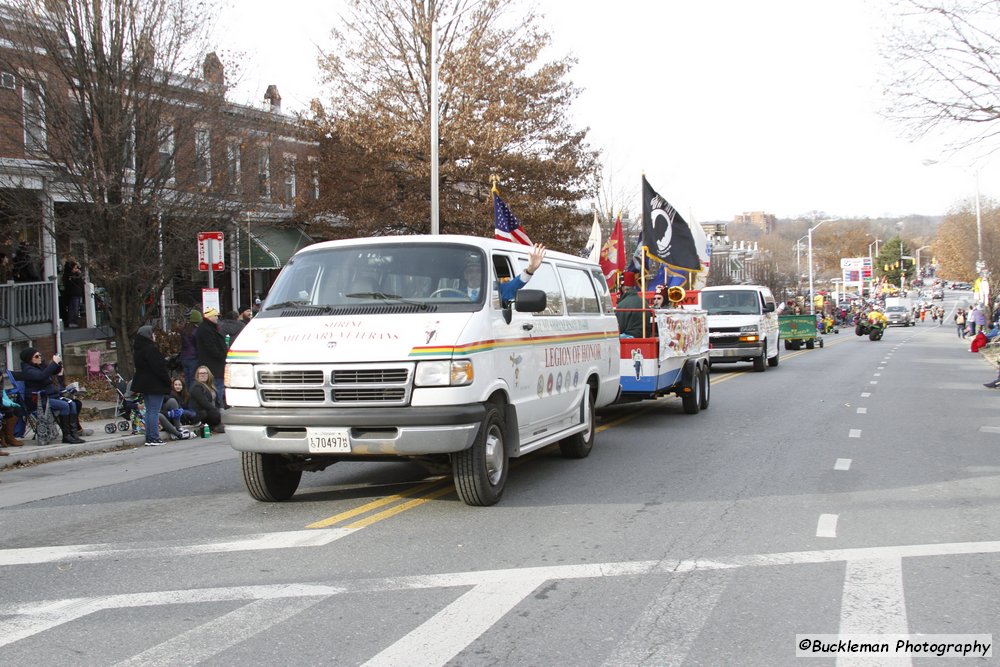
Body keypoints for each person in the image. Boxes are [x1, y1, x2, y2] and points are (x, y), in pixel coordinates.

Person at [19, 347, 85, 444]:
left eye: (40, 355)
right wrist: (53, 363)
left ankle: (73, 434)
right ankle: (66, 436)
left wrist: (58, 363)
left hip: (51, 396)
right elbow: (41, 376)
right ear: (29, 359)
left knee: (72, 404)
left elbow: (54, 371)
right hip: (39, 400)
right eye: (36, 356)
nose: (39, 357)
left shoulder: (40, 366)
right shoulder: (28, 370)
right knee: (64, 406)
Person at [462, 243, 546, 304]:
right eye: (470, 272)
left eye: (478, 272)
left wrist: (530, 269)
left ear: (484, 274)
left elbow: (515, 284)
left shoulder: (497, 290)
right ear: (465, 275)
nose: (474, 275)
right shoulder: (454, 293)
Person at [131, 325, 171, 446]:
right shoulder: (150, 349)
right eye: (152, 334)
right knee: (154, 411)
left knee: (149, 411)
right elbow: (159, 367)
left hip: (144, 384)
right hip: (155, 384)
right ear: (148, 335)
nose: (154, 336)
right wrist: (167, 380)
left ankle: (149, 437)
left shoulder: (138, 349)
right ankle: (154, 437)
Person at [195, 307, 228, 408]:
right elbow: (211, 347)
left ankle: (217, 407)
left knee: (215, 386)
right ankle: (218, 407)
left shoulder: (206, 328)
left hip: (212, 363)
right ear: (210, 317)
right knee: (217, 386)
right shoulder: (207, 329)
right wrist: (221, 355)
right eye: (215, 316)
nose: (217, 318)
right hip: (214, 364)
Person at [189, 366, 224, 433]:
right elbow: (204, 403)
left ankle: (218, 426)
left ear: (208, 374)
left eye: (205, 373)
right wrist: (217, 411)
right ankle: (214, 426)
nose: (203, 375)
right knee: (216, 414)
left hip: (212, 411)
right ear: (197, 375)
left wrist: (221, 409)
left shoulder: (211, 386)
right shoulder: (196, 387)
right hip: (202, 413)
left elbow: (218, 401)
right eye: (201, 373)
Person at [615, 273, 650, 338]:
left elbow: (620, 327)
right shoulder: (644, 303)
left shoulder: (622, 305)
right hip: (644, 336)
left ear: (623, 289)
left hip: (629, 337)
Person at [62, 260, 85, 328]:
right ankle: (72, 321)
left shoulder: (75, 275)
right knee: (73, 308)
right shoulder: (69, 276)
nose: (77, 270)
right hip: (73, 293)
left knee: (76, 308)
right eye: (75, 268)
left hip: (77, 293)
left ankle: (73, 321)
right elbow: (75, 281)